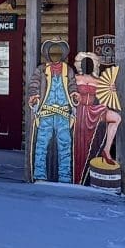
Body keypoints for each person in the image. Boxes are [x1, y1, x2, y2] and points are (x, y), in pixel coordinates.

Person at [28, 39, 77, 184]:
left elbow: (72, 85)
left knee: (65, 146)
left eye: (58, 52)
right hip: (45, 114)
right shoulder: (42, 69)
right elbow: (34, 84)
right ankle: (40, 175)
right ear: (47, 53)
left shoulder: (68, 70)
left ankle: (65, 177)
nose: (55, 56)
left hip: (63, 113)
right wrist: (34, 95)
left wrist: (74, 94)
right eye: (52, 52)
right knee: (41, 145)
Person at [72, 51, 122, 185]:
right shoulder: (75, 78)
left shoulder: (99, 80)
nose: (88, 65)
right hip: (79, 109)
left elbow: (104, 97)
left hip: (94, 109)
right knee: (80, 143)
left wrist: (112, 89)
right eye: (84, 62)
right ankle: (78, 174)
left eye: (92, 62)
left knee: (116, 118)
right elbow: (69, 92)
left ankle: (106, 150)